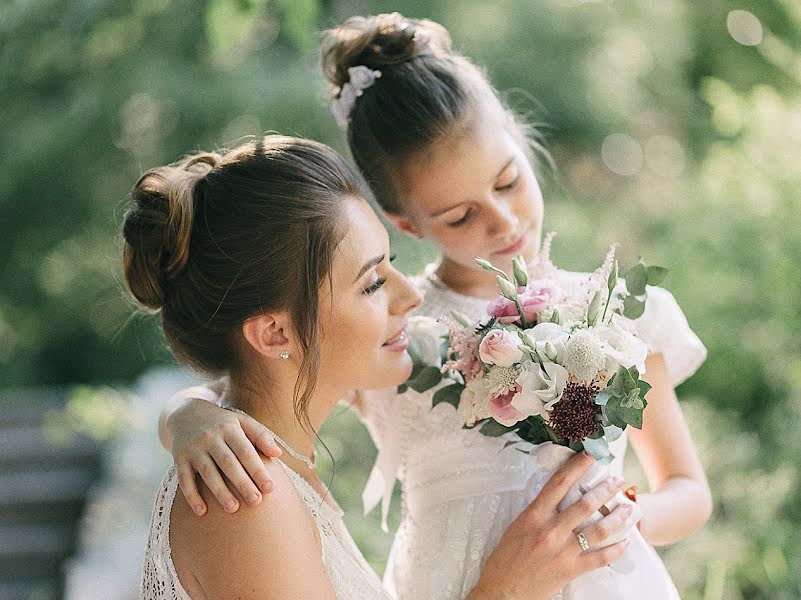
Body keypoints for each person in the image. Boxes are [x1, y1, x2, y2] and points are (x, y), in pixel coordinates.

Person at [159, 13, 712, 599]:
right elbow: (247, 389)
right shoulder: (395, 330)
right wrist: (187, 420)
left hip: (603, 572)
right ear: (405, 222)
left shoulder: (619, 310)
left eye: (507, 183)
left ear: (521, 143)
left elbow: (688, 488)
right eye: (459, 215)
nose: (502, 221)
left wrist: (622, 514)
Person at [128, 135, 631, 599]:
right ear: (274, 334)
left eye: (392, 265)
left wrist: (185, 414)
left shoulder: (265, 471)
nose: (410, 295)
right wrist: (504, 589)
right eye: (372, 283)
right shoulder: (248, 500)